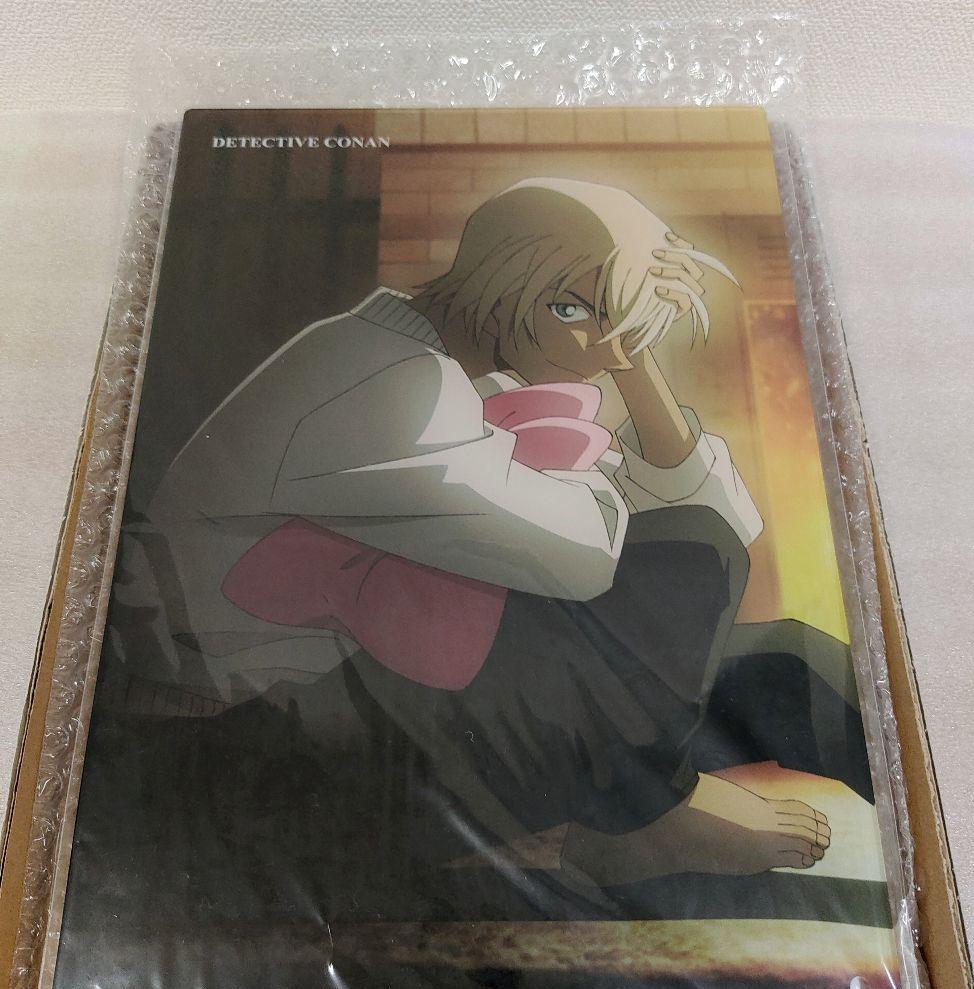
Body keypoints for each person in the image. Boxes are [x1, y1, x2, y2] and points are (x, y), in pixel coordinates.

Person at [110, 178, 871, 898]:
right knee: (687, 559)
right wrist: (596, 454)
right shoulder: (384, 384)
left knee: (787, 660)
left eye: (628, 330)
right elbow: (596, 556)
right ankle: (639, 818)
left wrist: (635, 362)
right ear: (528, 290)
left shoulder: (466, 373)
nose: (608, 352)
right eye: (591, 316)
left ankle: (911, 831)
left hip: (376, 706)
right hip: (252, 755)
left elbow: (720, 522)